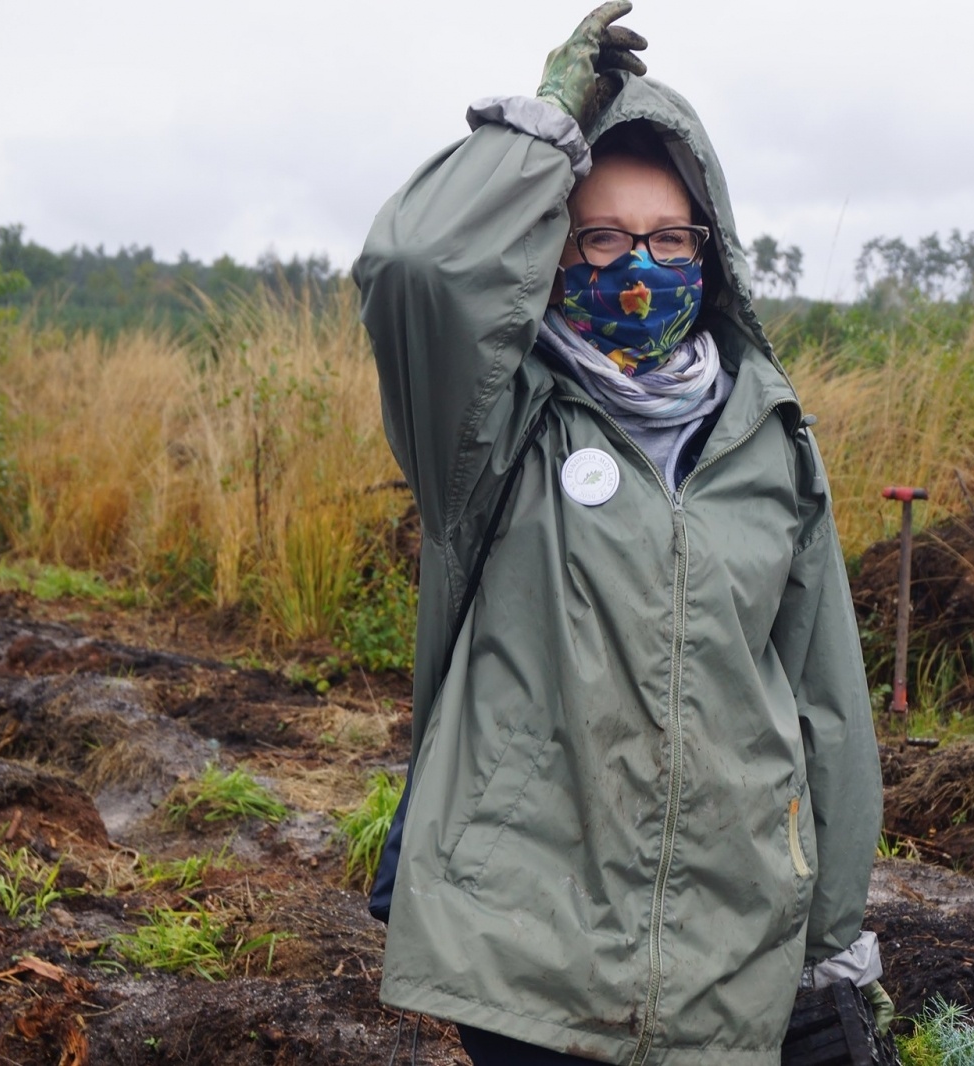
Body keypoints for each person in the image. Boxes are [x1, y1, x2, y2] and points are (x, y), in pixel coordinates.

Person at [353, 4, 886, 1063]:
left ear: (709, 249)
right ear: (553, 248)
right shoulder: (492, 428)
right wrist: (542, 126)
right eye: (599, 235)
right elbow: (419, 266)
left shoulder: (769, 438)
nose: (636, 265)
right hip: (525, 944)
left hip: (723, 937)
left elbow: (822, 700)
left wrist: (829, 947)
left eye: (666, 237)